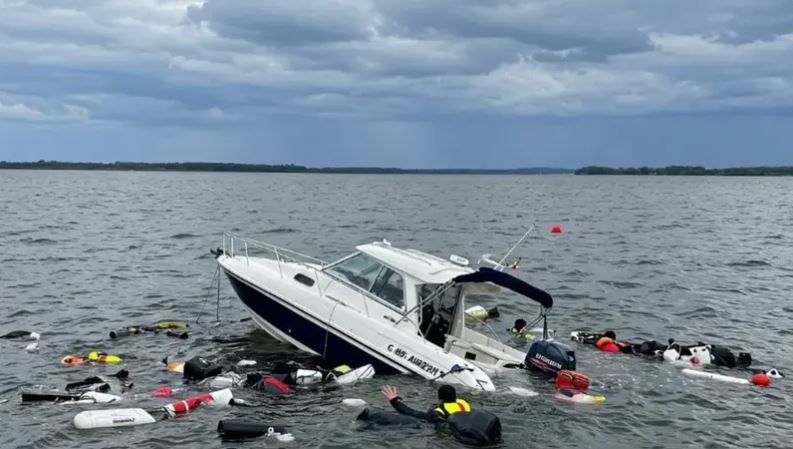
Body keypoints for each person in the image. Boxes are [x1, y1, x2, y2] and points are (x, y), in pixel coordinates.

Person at [380, 384, 470, 423]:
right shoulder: (464, 403)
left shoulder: (438, 413)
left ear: (441, 400)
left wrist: (394, 401)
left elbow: (412, 413)